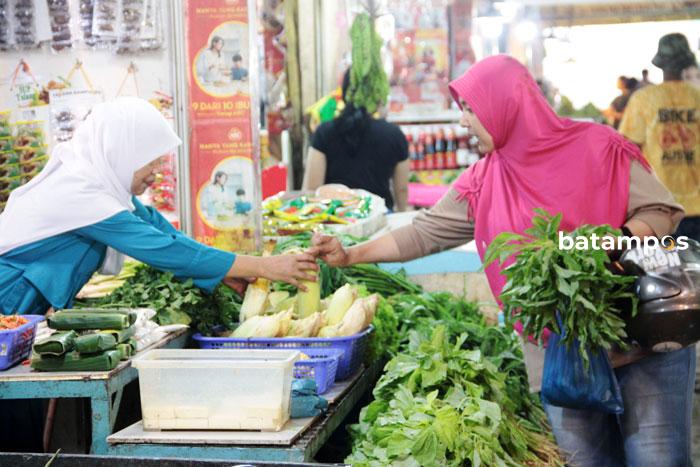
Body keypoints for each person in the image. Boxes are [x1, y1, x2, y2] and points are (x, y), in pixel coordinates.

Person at [310, 55, 693, 466]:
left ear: (506, 104)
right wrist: (350, 255)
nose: (463, 122)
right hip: (559, 356)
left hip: (639, 337)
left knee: (658, 460)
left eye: (471, 108)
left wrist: (606, 243)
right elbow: (422, 233)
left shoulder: (598, 147)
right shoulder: (484, 180)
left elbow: (662, 211)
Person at [0, 97, 318, 317]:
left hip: (23, 312)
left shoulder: (100, 184)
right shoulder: (79, 192)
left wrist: (223, 273)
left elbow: (158, 228)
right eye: (148, 164)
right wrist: (262, 266)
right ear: (120, 152)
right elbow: (162, 249)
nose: (153, 175)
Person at [620, 33, 700, 241]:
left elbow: (627, 150)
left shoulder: (644, 99)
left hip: (661, 210)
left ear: (660, 64)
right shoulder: (697, 97)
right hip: (698, 205)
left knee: (665, 272)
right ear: (686, 63)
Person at [302, 70, 409, 212]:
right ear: (377, 95)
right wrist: (401, 212)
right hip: (379, 217)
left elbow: (312, 188)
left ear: (344, 92)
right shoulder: (394, 134)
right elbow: (401, 189)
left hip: (336, 220)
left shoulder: (324, 132)